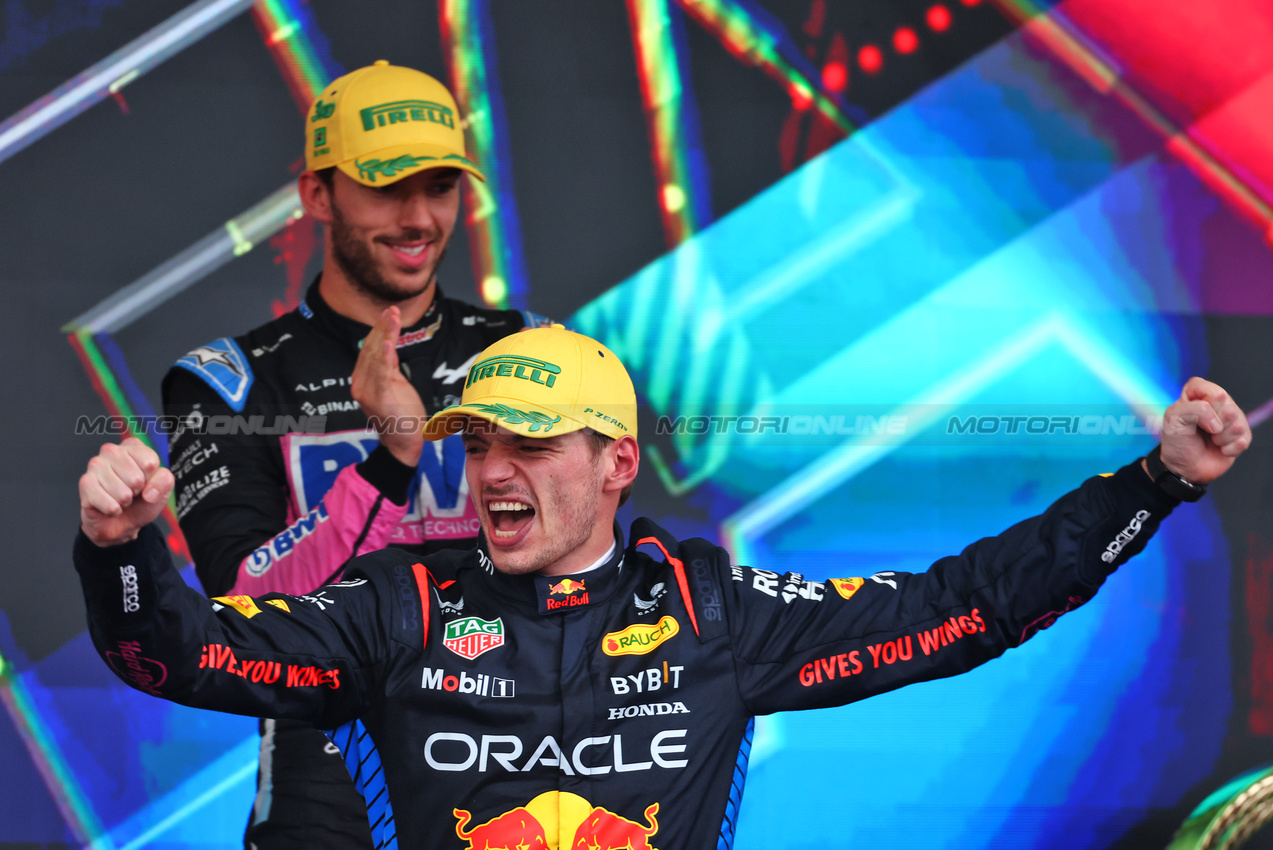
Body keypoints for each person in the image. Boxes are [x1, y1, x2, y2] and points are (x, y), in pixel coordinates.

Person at [78, 326, 1251, 849]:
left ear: (615, 462)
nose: (493, 473)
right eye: (478, 443)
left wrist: (1152, 485)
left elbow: (969, 605)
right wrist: (124, 550)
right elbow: (174, 656)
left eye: (531, 445)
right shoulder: (396, 602)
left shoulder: (713, 614)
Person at [161, 60, 549, 847]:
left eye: (439, 186)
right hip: (330, 761)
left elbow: (584, 569)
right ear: (316, 193)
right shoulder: (231, 383)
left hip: (518, 755)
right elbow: (244, 602)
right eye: (385, 185)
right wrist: (391, 460)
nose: (418, 217)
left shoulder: (526, 351)